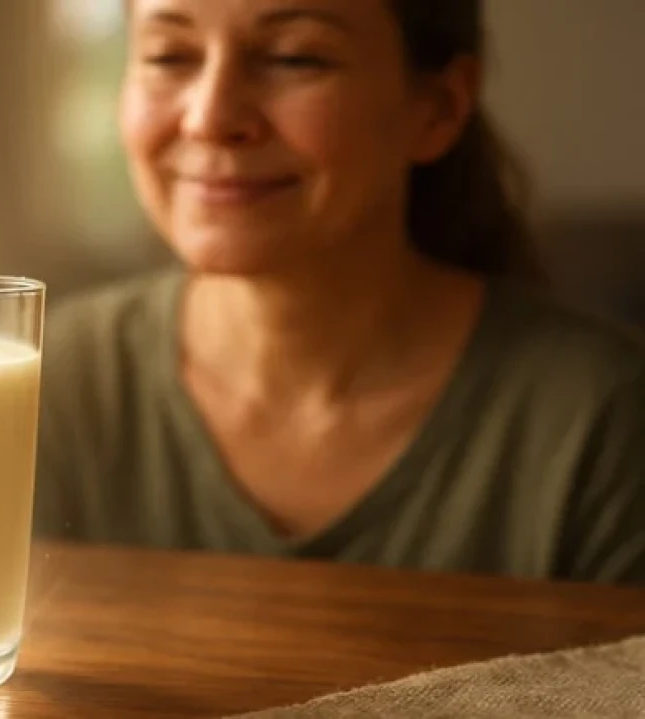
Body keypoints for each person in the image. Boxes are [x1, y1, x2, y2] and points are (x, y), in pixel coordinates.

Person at [36, 0, 645, 585]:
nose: (210, 117)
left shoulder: (603, 418)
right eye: (170, 56)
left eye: (295, 58)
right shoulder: (48, 382)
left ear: (438, 109)